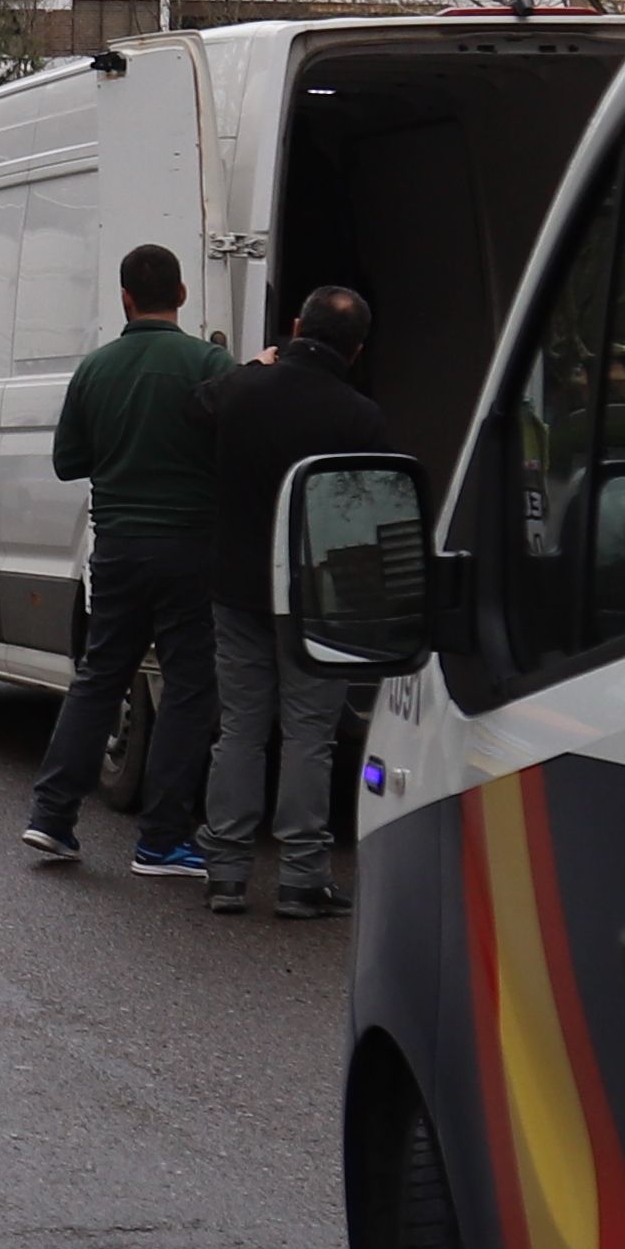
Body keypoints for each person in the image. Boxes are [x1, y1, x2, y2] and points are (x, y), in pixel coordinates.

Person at [192, 283, 397, 918]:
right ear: (358, 350)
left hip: (236, 586)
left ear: (291, 327)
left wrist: (254, 363)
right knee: (311, 735)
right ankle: (302, 880)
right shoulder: (361, 416)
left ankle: (226, 872)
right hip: (317, 596)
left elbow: (194, 409)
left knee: (240, 730)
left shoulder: (239, 394)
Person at [22, 242, 225, 877]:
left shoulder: (96, 369)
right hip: (190, 548)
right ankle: (162, 838)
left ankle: (52, 818)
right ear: (183, 295)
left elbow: (67, 463)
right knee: (190, 686)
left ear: (125, 299)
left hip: (116, 548)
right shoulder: (208, 363)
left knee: (100, 676)